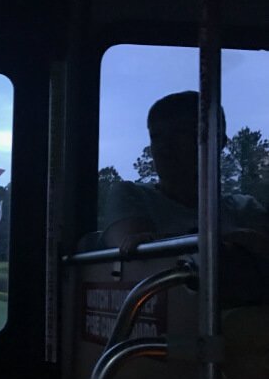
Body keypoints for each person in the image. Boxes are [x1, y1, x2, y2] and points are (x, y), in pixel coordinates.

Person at [101, 91, 268, 256]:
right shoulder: (130, 196)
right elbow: (135, 256)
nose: (164, 146)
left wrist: (163, 241)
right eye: (156, 136)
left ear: (219, 142)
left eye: (180, 133)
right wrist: (238, 241)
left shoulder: (246, 208)